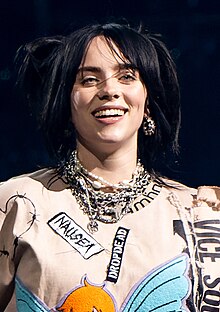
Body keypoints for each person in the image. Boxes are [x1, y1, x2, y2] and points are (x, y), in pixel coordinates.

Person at [0, 21, 219, 312]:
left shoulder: (198, 213)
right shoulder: (17, 202)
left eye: (127, 76)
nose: (109, 90)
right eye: (89, 79)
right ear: (65, 102)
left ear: (148, 100)